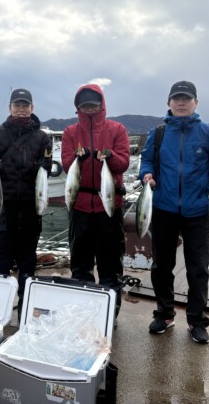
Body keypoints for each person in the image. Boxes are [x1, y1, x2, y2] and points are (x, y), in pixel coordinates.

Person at [139, 80, 209, 344]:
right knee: (161, 266)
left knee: (198, 269)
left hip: (196, 212)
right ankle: (165, 314)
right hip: (163, 209)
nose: (181, 103)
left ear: (196, 103)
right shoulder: (157, 134)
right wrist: (146, 173)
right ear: (169, 103)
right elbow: (146, 160)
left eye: (186, 99)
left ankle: (196, 321)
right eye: (177, 98)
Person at [0, 88, 53, 321]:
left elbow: (48, 170)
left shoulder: (43, 138)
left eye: (25, 105)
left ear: (32, 109)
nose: (21, 109)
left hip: (30, 211)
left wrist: (44, 165)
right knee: (0, 263)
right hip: (1, 211)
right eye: (17, 105)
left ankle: (25, 314)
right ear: (10, 108)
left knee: (27, 263)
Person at [61, 84, 130, 318]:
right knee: (80, 266)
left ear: (102, 105)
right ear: (78, 108)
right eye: (84, 105)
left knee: (111, 265)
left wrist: (109, 156)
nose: (89, 109)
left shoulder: (117, 129)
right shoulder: (70, 132)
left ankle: (109, 316)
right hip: (79, 206)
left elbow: (123, 164)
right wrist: (76, 158)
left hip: (109, 206)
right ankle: (81, 312)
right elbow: (66, 165)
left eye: (93, 104)